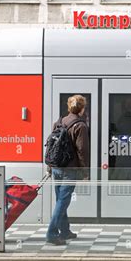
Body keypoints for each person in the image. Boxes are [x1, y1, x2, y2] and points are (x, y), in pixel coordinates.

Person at [46, 95, 90, 246]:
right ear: (82, 108)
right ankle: (51, 233)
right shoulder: (81, 126)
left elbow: (52, 147)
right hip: (70, 169)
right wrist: (85, 171)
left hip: (57, 167)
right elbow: (82, 150)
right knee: (63, 201)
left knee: (60, 200)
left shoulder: (58, 123)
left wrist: (50, 166)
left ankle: (65, 231)